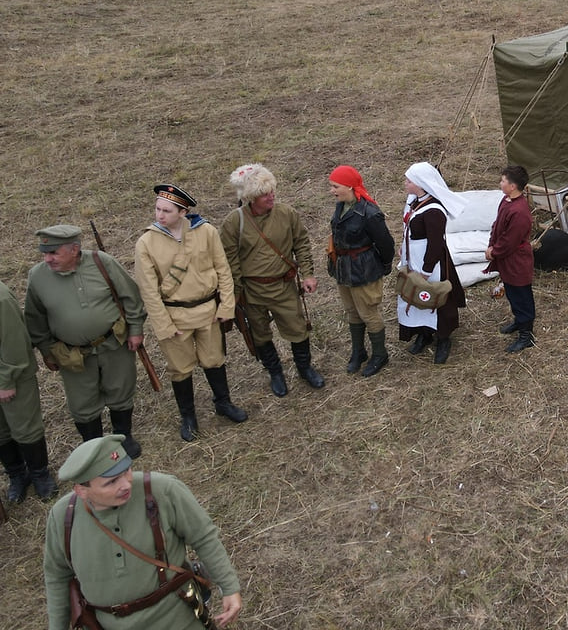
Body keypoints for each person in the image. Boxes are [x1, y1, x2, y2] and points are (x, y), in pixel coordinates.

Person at [43, 435, 243, 630]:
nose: (126, 484)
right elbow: (57, 576)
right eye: (111, 482)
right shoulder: (63, 517)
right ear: (82, 491)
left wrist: (229, 587)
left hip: (177, 619)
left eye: (127, 470)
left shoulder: (162, 490)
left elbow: (204, 537)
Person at [133, 185, 247, 443]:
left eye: (167, 210)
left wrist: (226, 307)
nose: (160, 215)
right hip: (175, 318)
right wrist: (163, 325)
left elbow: (223, 271)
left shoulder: (205, 232)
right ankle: (188, 416)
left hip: (208, 311)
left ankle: (223, 403)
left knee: (214, 360)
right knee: (180, 369)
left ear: (183, 211)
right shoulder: (146, 243)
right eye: (158, 209)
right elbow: (149, 291)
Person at [25, 225, 146, 456]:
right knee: (82, 404)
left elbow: (130, 297)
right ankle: (94, 447)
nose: (47, 259)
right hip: (71, 354)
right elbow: (35, 319)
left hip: (114, 344)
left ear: (74, 249)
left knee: (121, 390)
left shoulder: (103, 262)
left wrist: (136, 329)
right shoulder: (37, 276)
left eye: (53, 253)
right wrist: (46, 351)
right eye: (44, 253)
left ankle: (124, 436)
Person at [220, 164, 323, 397]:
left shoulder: (287, 213)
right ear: (251, 197)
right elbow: (229, 261)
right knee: (260, 335)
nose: (271, 196)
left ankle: (304, 368)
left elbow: (302, 243)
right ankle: (275, 372)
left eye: (272, 191)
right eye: (265, 194)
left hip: (284, 287)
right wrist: (235, 294)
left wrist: (307, 273)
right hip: (252, 292)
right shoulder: (233, 223)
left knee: (298, 329)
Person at [328, 166, 395, 377]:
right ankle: (359, 351)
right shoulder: (342, 206)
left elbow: (386, 244)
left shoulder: (370, 213)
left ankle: (379, 354)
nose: (332, 191)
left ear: (349, 186)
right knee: (352, 311)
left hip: (364, 270)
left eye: (335, 186)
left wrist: (384, 266)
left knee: (368, 312)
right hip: (344, 269)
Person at [398, 163, 466, 365]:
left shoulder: (434, 210)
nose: (405, 184)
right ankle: (424, 332)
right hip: (414, 260)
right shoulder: (416, 202)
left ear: (420, 184)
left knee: (437, 295)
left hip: (432, 264)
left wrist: (427, 270)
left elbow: (435, 244)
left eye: (409, 181)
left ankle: (443, 338)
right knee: (416, 295)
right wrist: (404, 246)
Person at [1, 278, 57, 503]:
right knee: (2, 432)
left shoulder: (1, 298)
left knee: (25, 428)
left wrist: (5, 381)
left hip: (12, 375)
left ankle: (39, 474)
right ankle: (17, 475)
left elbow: (14, 343)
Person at [485, 165, 536, 353]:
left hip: (517, 261)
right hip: (507, 259)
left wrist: (494, 251)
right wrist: (491, 243)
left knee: (522, 295)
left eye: (503, 181)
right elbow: (497, 225)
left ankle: (526, 335)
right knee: (513, 293)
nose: (500, 183)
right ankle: (518, 322)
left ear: (513, 186)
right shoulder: (506, 201)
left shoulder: (520, 212)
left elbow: (510, 240)